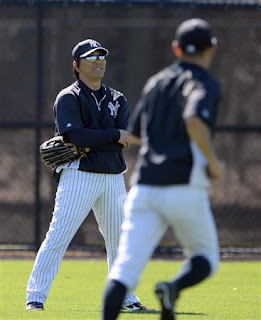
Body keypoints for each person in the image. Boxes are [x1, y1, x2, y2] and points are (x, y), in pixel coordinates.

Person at [102, 18, 225, 320]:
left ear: (176, 48)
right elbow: (194, 120)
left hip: (145, 188)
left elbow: (137, 134)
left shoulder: (157, 81)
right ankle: (173, 287)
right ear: (211, 49)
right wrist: (212, 162)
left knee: (123, 273)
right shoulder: (205, 82)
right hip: (184, 186)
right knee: (206, 259)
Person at [26, 39, 147, 311]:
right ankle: (36, 296)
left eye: (101, 56)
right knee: (59, 236)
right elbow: (75, 135)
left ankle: (126, 298)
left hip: (113, 176)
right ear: (76, 65)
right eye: (90, 57)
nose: (98, 61)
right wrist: (113, 135)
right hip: (79, 175)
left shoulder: (117, 98)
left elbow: (124, 139)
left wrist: (102, 139)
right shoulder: (68, 97)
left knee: (119, 240)